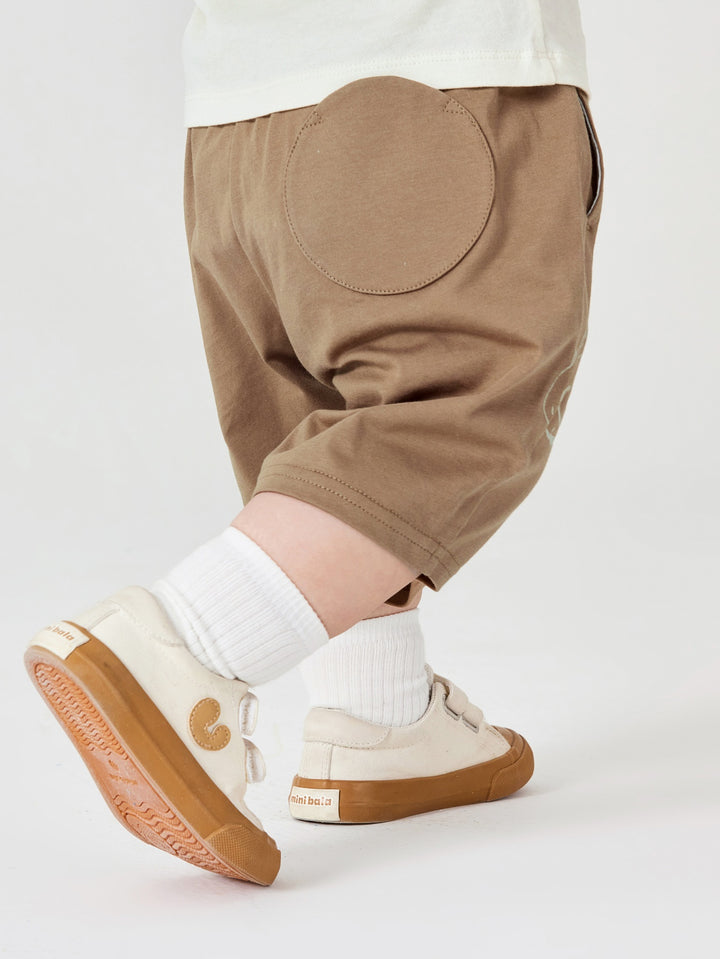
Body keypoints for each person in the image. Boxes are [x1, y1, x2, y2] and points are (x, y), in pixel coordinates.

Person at [24, 1, 604, 886]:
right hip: (432, 80)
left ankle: (375, 716)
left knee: (322, 424)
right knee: (453, 400)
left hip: (237, 123)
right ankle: (181, 648)